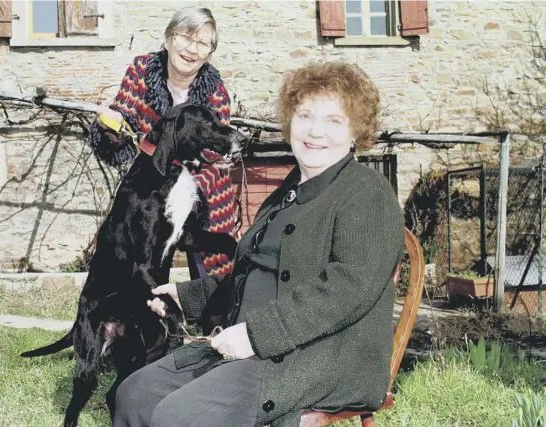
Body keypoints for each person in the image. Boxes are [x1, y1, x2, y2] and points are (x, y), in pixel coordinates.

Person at [112, 61, 405, 427]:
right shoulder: (286, 193)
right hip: (251, 344)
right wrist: (188, 296)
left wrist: (255, 335)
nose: (315, 131)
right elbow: (252, 274)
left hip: (319, 357)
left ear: (355, 132)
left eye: (334, 121)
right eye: (304, 116)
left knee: (178, 416)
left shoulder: (366, 193)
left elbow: (349, 289)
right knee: (134, 395)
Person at [89, 6, 237, 278]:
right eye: (185, 37)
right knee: (145, 270)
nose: (191, 49)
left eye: (202, 43)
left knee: (213, 283)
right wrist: (112, 131)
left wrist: (183, 195)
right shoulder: (141, 70)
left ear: (209, 53)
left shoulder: (216, 94)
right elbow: (125, 118)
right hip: (152, 187)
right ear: (169, 38)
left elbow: (217, 161)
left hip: (204, 191)